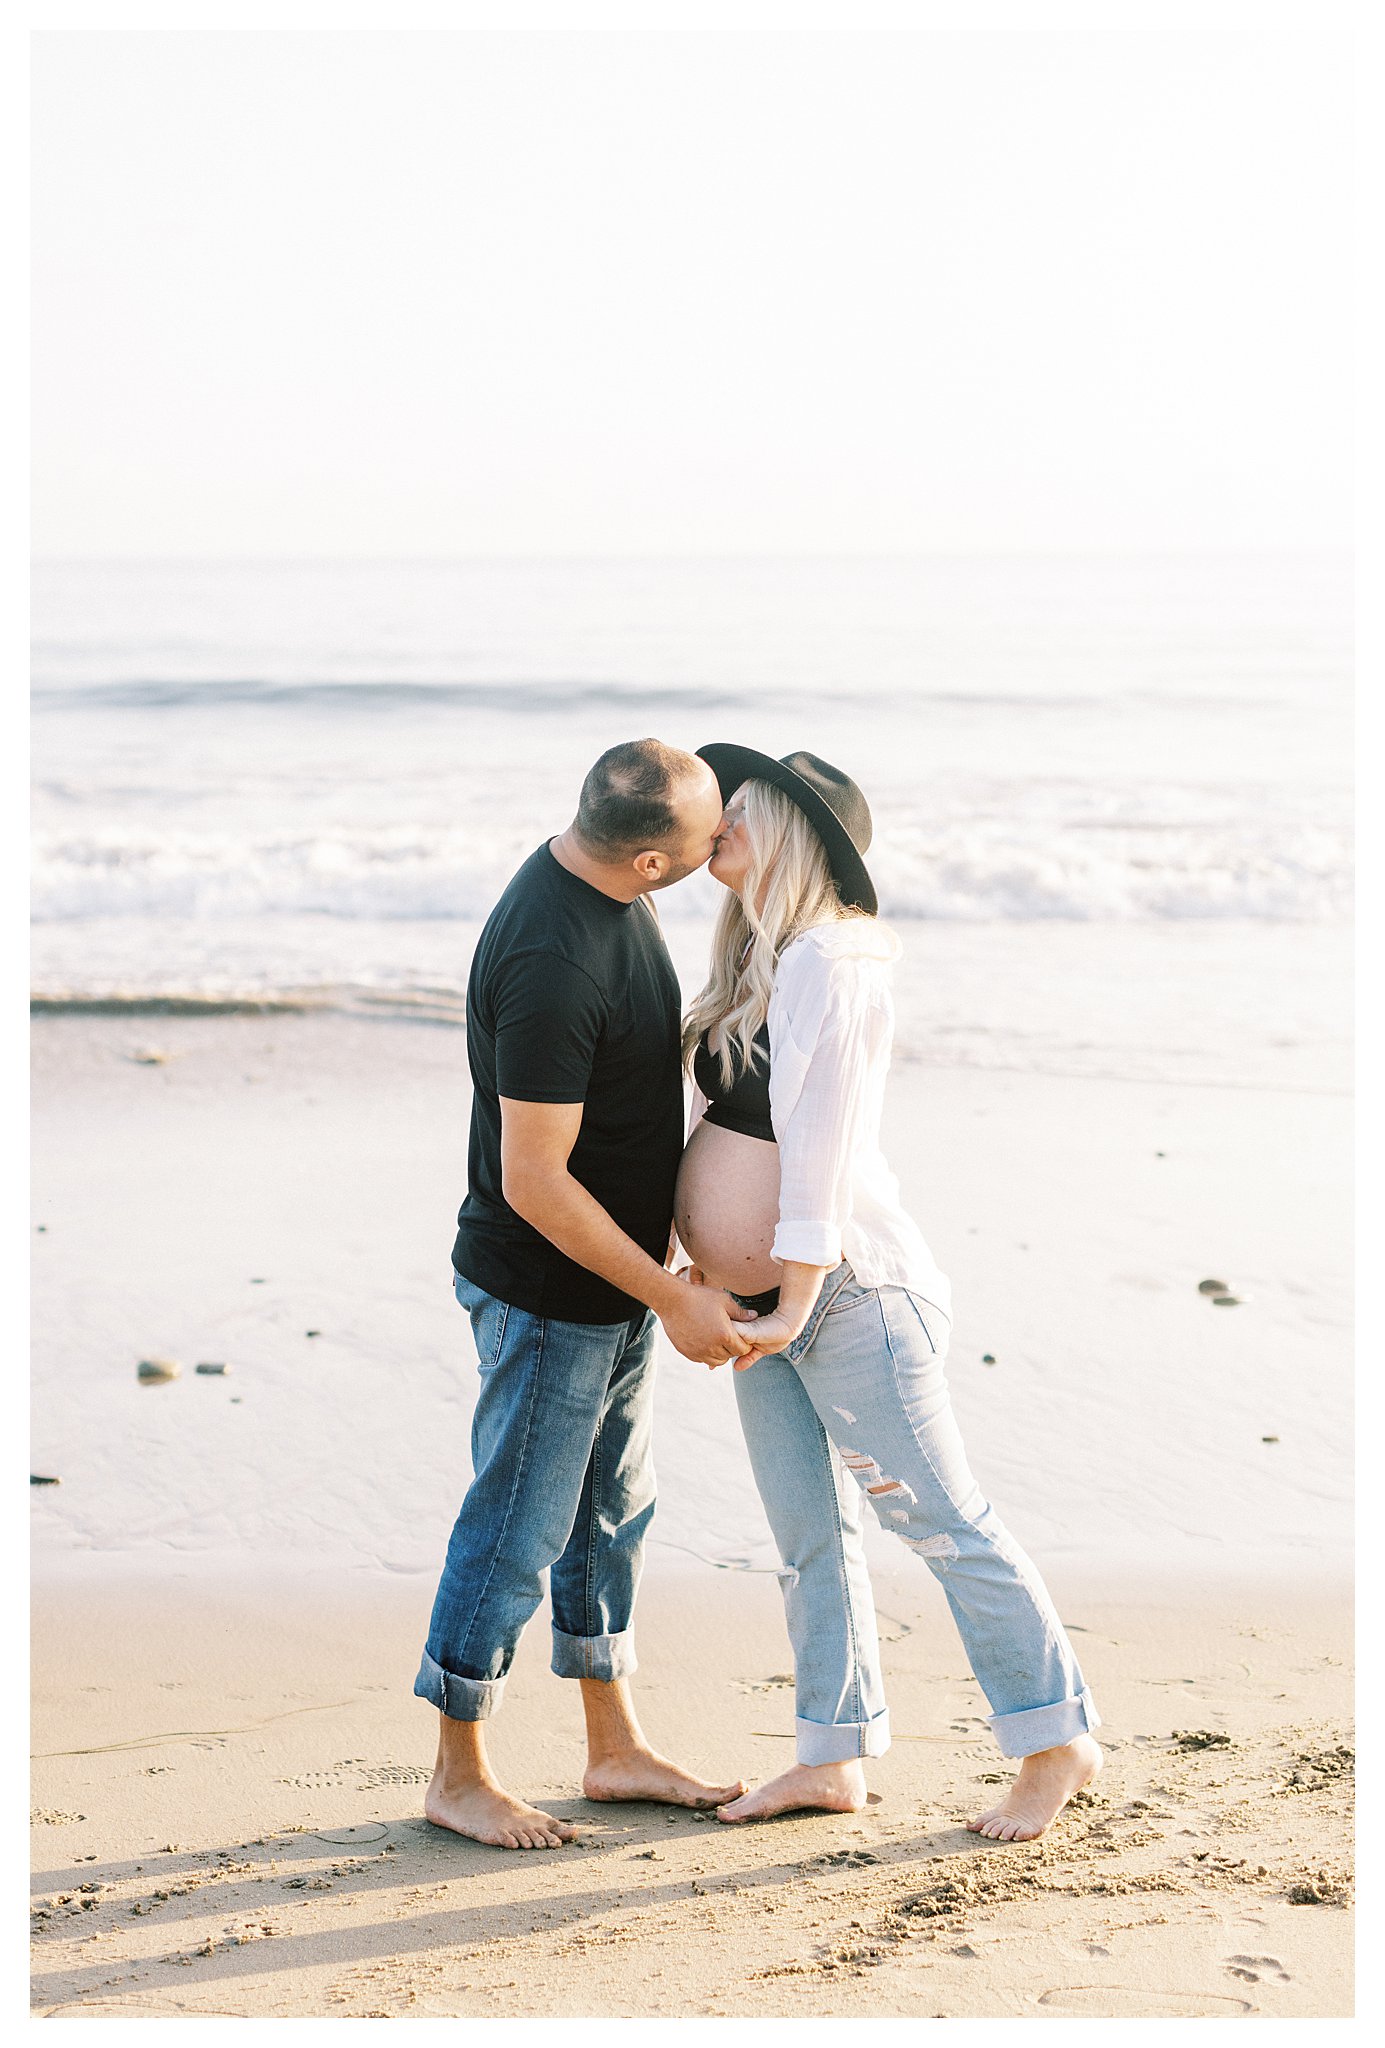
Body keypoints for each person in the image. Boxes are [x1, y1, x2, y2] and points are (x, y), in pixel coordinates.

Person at [675, 747, 1103, 1841]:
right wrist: (710, 1270)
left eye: (738, 803)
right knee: (806, 1534)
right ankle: (831, 1753)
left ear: (791, 824)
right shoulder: (765, 954)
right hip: (769, 1299)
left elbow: (819, 1144)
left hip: (847, 1296)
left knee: (946, 1523)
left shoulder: (836, 955)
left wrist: (790, 1296)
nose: (714, 816)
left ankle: (1055, 1741)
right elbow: (740, 1137)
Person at [415, 738, 759, 1850]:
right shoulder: (554, 952)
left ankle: (611, 1746)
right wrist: (668, 1290)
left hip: (608, 1288)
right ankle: (457, 1771)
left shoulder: (614, 891)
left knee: (611, 1514)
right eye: (710, 838)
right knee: (516, 1525)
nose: (724, 850)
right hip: (548, 1292)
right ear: (653, 857)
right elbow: (532, 1180)